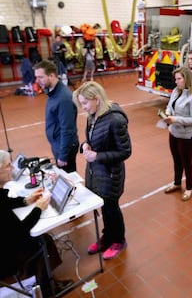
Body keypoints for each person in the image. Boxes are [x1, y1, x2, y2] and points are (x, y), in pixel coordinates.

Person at [0, 150, 73, 297]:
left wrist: (26, 200)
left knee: (41, 238)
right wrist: (39, 208)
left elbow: (5, 203)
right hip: (4, 259)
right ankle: (49, 289)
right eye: (8, 166)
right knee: (43, 240)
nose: (13, 169)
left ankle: (41, 278)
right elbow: (22, 230)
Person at [72, 81, 131, 260]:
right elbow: (89, 137)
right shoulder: (93, 115)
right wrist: (85, 144)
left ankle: (119, 240)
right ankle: (107, 237)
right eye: (81, 103)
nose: (83, 107)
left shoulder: (115, 120)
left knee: (111, 208)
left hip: (111, 174)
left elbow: (125, 151)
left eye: (85, 103)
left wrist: (97, 156)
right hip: (96, 172)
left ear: (96, 99)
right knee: (103, 207)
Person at [162, 67, 192, 201]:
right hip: (174, 133)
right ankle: (177, 183)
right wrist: (167, 113)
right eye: (176, 79)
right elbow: (170, 105)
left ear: (187, 79)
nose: (176, 82)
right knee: (176, 161)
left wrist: (175, 119)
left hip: (187, 136)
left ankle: (189, 188)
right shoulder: (176, 91)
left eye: (179, 79)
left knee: (187, 164)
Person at [34, 60, 79, 173]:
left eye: (40, 77)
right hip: (58, 143)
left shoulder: (63, 98)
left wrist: (63, 155)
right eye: (36, 77)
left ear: (52, 76)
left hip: (64, 146)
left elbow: (68, 129)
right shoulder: (52, 92)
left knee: (68, 179)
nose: (37, 81)